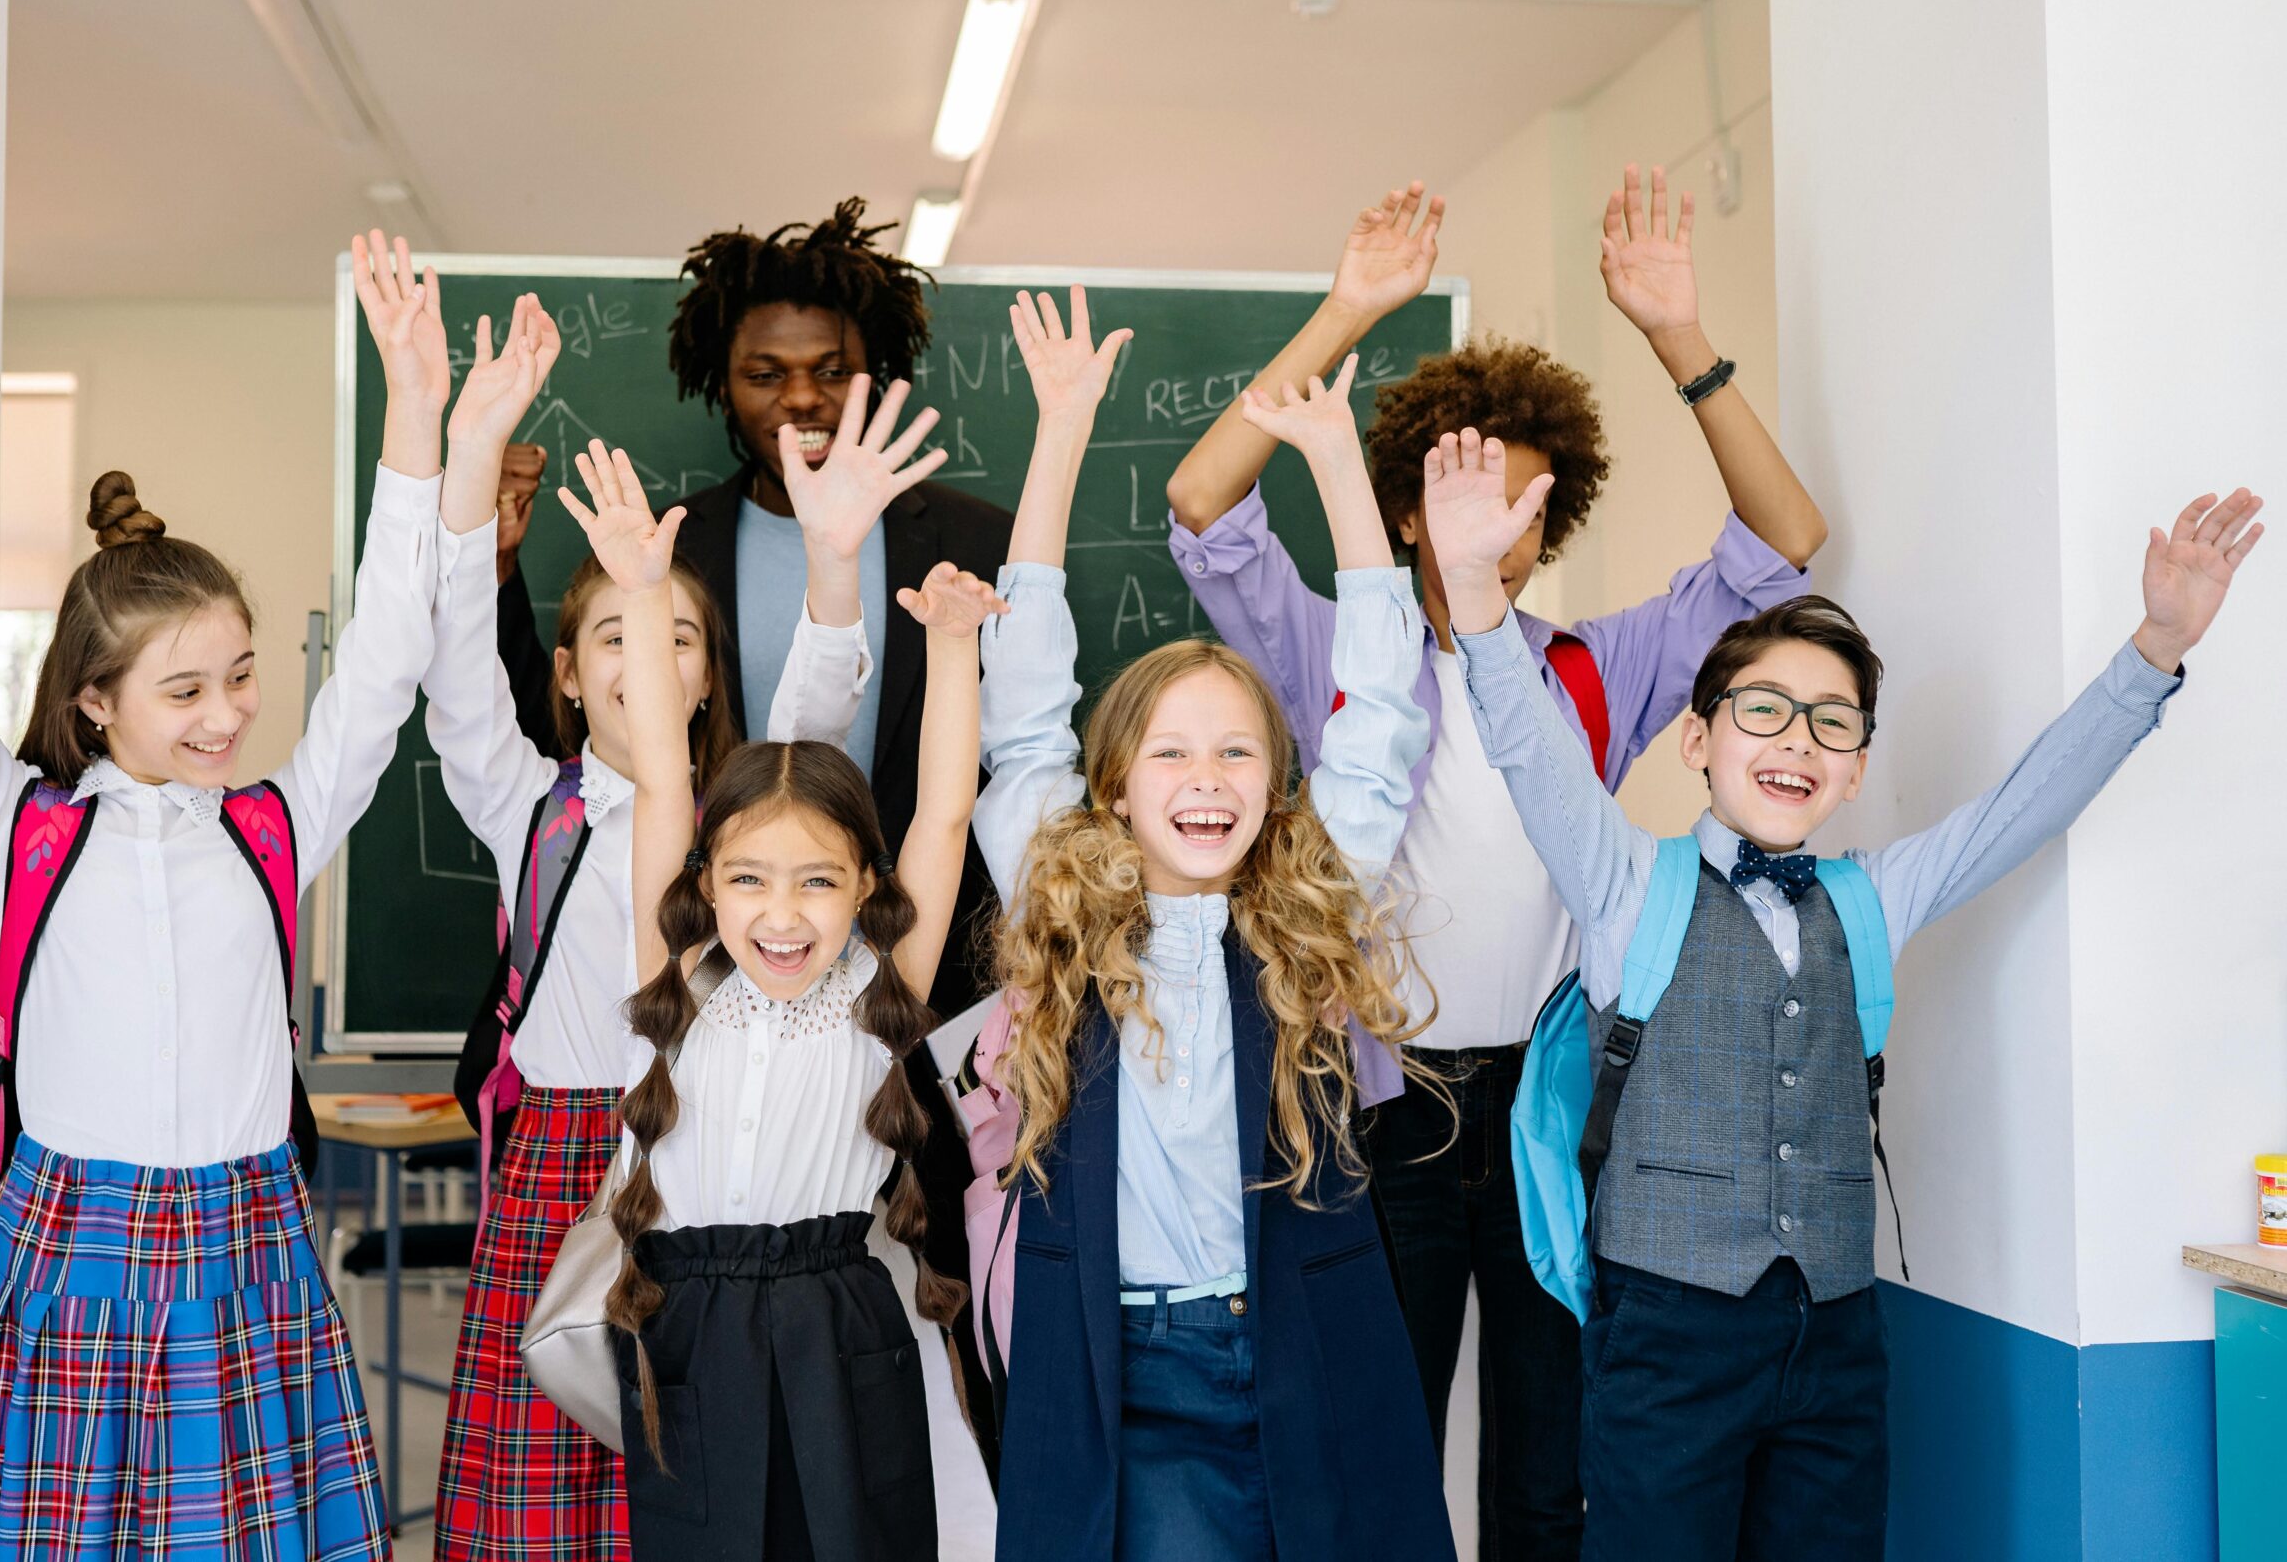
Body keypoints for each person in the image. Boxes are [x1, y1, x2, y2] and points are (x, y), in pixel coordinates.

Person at [1423, 418, 2262, 1561]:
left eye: (1832, 722)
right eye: (1762, 709)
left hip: (1835, 1333)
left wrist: (2154, 649)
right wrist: (1472, 595)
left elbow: (2024, 807)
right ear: (1697, 740)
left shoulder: (1873, 896)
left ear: (1858, 766)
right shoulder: (1624, 879)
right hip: (1661, 1334)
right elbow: (1530, 750)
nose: (1797, 739)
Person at [1163, 168, 1827, 1554]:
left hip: (1552, 1110)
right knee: (1381, 1450)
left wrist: (1677, 341)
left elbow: (1784, 540)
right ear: (1408, 511)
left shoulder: (1597, 667)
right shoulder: (1335, 652)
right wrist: (1346, 311)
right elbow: (1204, 501)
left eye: (1529, 506)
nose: (1501, 529)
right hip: (1375, 1103)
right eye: (1471, 497)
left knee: (1548, 1462)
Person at [0, 205, 435, 1561]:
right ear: (96, 701)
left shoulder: (274, 828)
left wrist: (411, 410)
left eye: (240, 675)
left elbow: (389, 656)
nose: (229, 713)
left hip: (247, 1250)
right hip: (75, 1252)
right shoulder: (26, 831)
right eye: (185, 688)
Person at [977, 290, 1453, 1561]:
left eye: (1237, 751)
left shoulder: (1299, 910)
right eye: (1171, 752)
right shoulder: (1066, 904)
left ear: (1274, 782)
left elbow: (1383, 717)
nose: (1205, 778)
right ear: (1115, 786)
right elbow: (1021, 710)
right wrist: (1061, 431)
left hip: (1299, 1337)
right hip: (1128, 1363)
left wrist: (1343, 467)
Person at [573, 435, 1001, 1562]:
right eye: (749, 880)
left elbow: (944, 817)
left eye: (818, 882)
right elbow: (666, 774)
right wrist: (632, 586)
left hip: (838, 1308)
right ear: (702, 885)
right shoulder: (673, 979)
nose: (783, 914)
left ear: (865, 887)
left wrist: (952, 648)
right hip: (686, 1314)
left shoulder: (875, 983)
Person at [493, 200, 1011, 1017]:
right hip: (719, 953)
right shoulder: (667, 547)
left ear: (879, 365)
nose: (800, 397)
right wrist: (495, 565)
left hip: (929, 968)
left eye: (833, 369)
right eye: (764, 373)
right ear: (721, 383)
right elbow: (569, 725)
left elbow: (983, 780)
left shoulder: (974, 540)